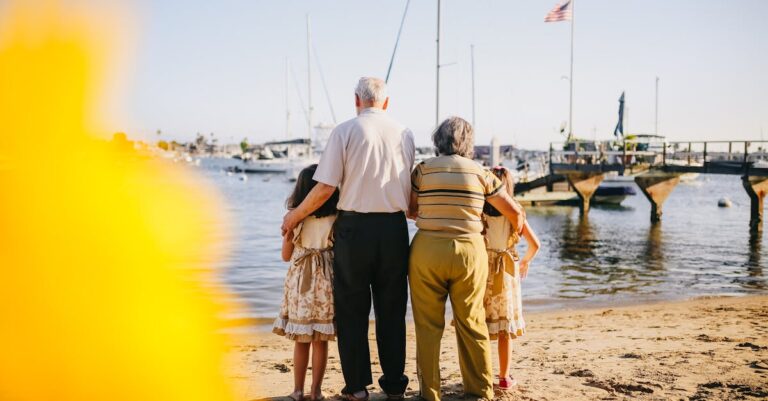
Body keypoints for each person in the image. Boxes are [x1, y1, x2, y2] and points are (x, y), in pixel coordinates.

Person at [282, 77, 414, 401]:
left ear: (357, 100)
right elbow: (409, 195)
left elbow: (325, 187)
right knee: (392, 310)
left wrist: (295, 215)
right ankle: (394, 384)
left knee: (353, 311)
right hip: (395, 229)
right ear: (387, 102)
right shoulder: (405, 133)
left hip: (354, 230)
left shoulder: (344, 131)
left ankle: (357, 388)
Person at [408, 117, 525, 401]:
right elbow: (515, 213)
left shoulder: (422, 170)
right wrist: (512, 239)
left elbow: (411, 210)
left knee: (427, 327)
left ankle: (431, 393)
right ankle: (480, 391)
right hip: (470, 253)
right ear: (468, 143)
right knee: (472, 323)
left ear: (438, 140)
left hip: (427, 251)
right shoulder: (481, 173)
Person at [273, 164, 340, 401]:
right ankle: (317, 392)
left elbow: (285, 256)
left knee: (301, 340)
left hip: (300, 279)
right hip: (326, 280)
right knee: (320, 340)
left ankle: (298, 391)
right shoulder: (336, 217)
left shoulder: (295, 219)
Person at [482, 166, 540, 390]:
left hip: (484, 271)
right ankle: (504, 378)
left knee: (482, 327)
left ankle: (482, 375)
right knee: (504, 331)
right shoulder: (516, 213)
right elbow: (535, 244)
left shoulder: (479, 211)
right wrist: (525, 261)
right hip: (506, 273)